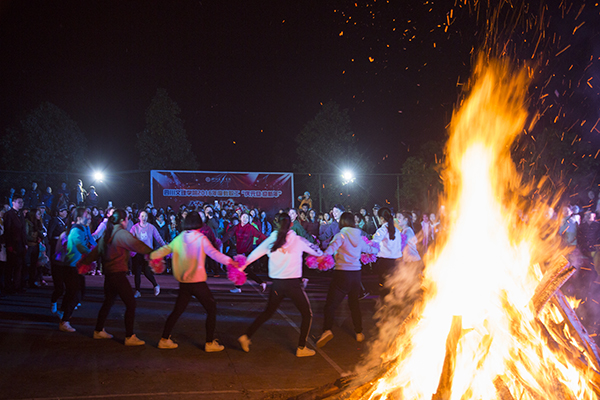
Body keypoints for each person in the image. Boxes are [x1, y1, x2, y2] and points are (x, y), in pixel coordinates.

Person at [237, 212, 323, 357]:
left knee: (268, 312)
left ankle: (246, 336)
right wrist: (319, 257)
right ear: (291, 224)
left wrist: (239, 268)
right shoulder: (298, 240)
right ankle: (301, 347)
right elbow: (317, 251)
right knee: (307, 314)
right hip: (293, 285)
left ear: (276, 225)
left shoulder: (271, 240)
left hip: (277, 285)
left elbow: (252, 256)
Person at [150, 211, 237, 352]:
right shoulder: (200, 238)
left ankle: (164, 339)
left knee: (177, 311)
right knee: (211, 308)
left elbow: (165, 249)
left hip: (184, 283)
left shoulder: (180, 238)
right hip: (197, 282)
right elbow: (214, 254)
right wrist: (230, 261)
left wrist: (153, 255)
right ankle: (209, 343)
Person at [78, 209, 153, 345]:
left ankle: (98, 330)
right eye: (127, 219)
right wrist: (154, 253)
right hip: (118, 274)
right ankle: (129, 336)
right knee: (131, 303)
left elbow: (95, 253)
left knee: (108, 302)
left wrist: (84, 263)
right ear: (123, 220)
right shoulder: (121, 234)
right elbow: (137, 245)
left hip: (109, 274)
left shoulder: (108, 234)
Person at [316, 212, 378, 348]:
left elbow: (330, 249)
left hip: (342, 274)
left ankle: (327, 330)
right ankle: (359, 332)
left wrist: (320, 257)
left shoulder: (340, 236)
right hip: (356, 275)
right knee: (354, 303)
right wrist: (377, 248)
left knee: (330, 305)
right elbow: (370, 249)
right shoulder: (359, 237)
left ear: (342, 222)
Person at [58, 207, 94, 332]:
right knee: (75, 294)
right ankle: (64, 320)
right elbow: (80, 245)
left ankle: (63, 313)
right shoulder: (75, 231)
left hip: (76, 267)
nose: (88, 217)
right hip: (71, 267)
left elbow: (89, 241)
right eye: (86, 215)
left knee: (76, 292)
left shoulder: (83, 228)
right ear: (79, 218)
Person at [221, 212, 267, 293]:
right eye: (243, 217)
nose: (245, 219)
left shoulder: (251, 228)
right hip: (239, 253)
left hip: (247, 253)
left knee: (243, 270)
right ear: (240, 218)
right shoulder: (236, 227)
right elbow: (229, 235)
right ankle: (260, 283)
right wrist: (220, 242)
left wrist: (269, 241)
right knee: (245, 270)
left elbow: (260, 235)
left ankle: (240, 287)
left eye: (247, 217)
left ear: (249, 219)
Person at [130, 210, 166, 297]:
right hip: (138, 253)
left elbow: (158, 238)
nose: (144, 218)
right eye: (142, 216)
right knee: (137, 272)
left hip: (148, 254)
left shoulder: (151, 227)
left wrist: (165, 246)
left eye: (145, 216)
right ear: (139, 217)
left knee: (147, 272)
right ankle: (138, 291)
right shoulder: (135, 228)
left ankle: (155, 285)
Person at [371, 207, 403, 298]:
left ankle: (385, 307)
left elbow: (374, 243)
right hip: (397, 261)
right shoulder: (396, 230)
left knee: (385, 286)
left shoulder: (382, 230)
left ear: (381, 218)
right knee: (396, 285)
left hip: (385, 262)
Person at [4, 196, 27, 293]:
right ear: (13, 202)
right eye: (19, 202)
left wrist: (25, 243)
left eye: (22, 202)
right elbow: (7, 230)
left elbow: (23, 230)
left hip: (20, 243)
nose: (21, 204)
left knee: (19, 265)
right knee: (11, 266)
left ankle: (17, 285)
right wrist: (9, 244)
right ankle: (8, 286)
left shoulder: (20, 214)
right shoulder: (9, 214)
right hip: (13, 243)